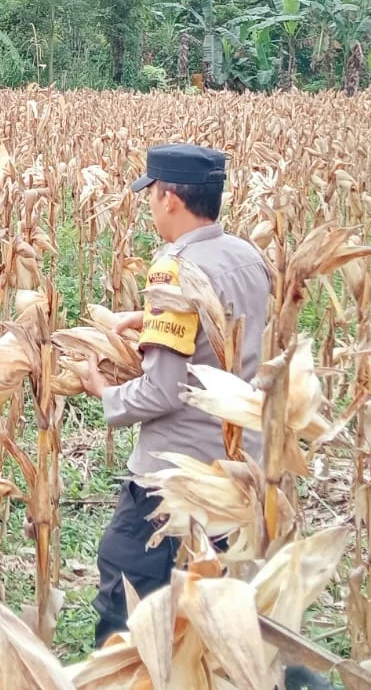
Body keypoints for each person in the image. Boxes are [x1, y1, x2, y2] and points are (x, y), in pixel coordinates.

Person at [76, 143, 270, 650]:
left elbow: (162, 390)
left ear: (170, 199)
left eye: (152, 194)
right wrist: (149, 320)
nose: (150, 205)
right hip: (240, 467)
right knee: (216, 610)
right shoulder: (246, 256)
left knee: (126, 591)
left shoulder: (175, 269)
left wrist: (105, 392)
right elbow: (223, 328)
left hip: (176, 475)